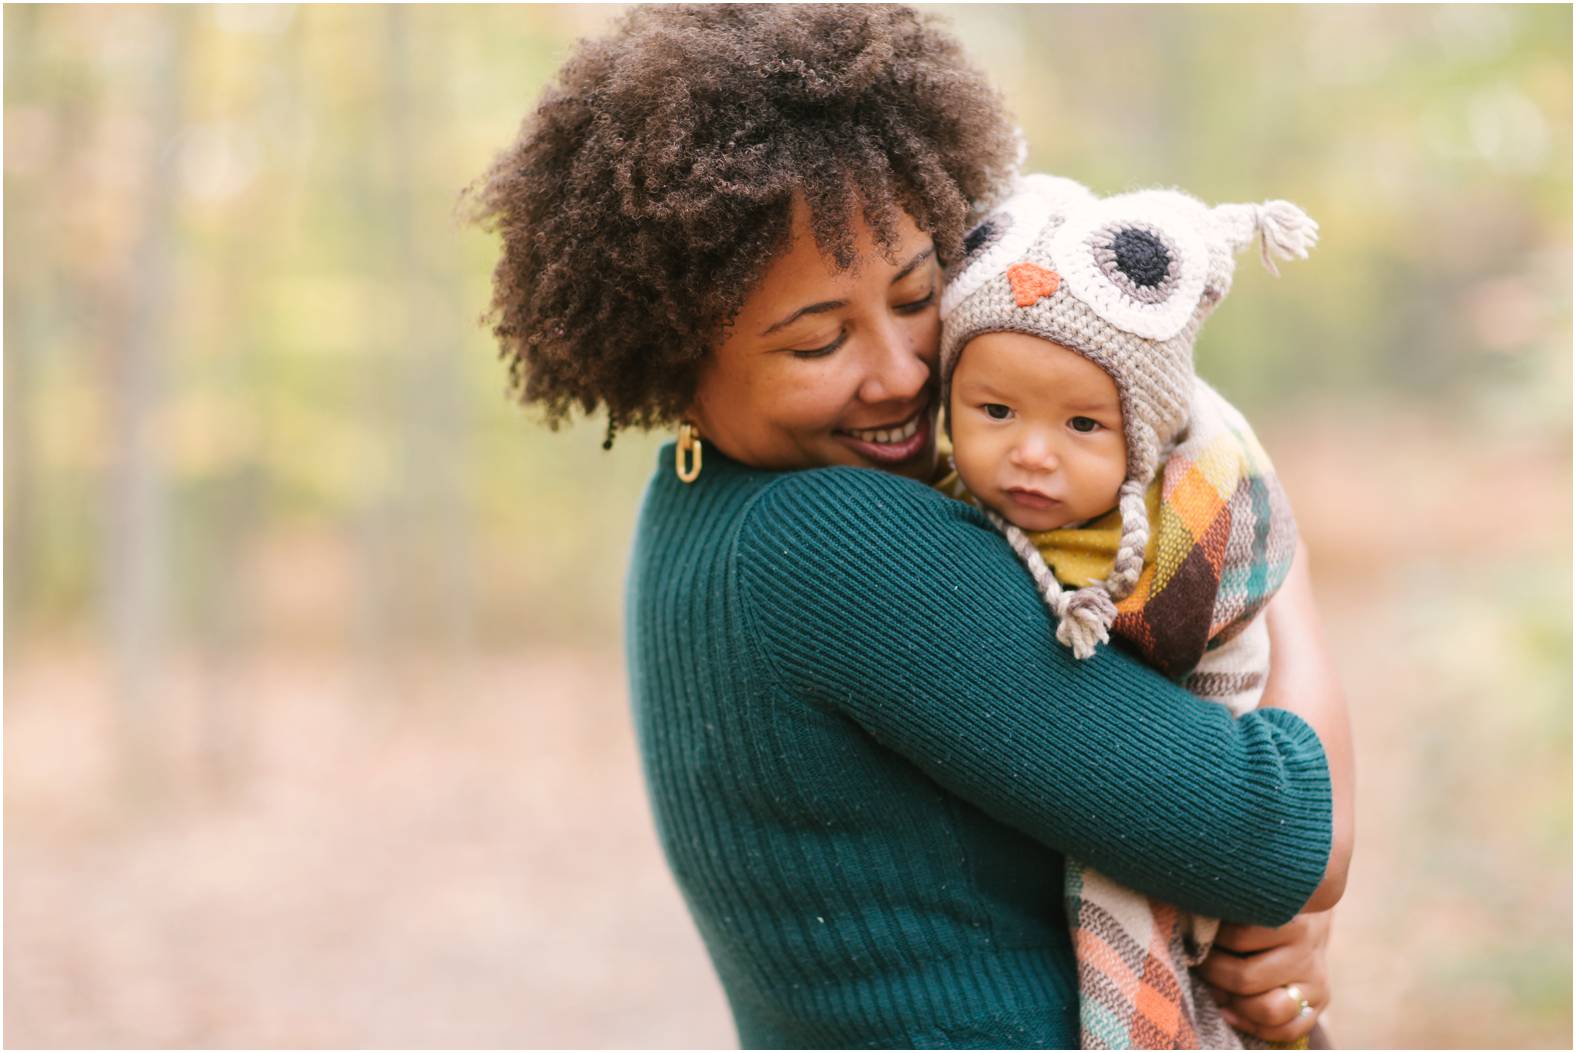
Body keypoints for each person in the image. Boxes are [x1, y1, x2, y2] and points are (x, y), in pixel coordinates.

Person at [469, 6, 1353, 1048]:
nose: (899, 371)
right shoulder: (829, 542)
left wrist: (1255, 937)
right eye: (817, 342)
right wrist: (1249, 522)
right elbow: (1281, 831)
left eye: (916, 293)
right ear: (671, 358)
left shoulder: (701, 512)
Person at [934, 173, 1328, 1047]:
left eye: (1083, 426)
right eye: (994, 411)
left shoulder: (1180, 533)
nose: (1032, 453)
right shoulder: (940, 520)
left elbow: (1247, 677)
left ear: (1142, 441)